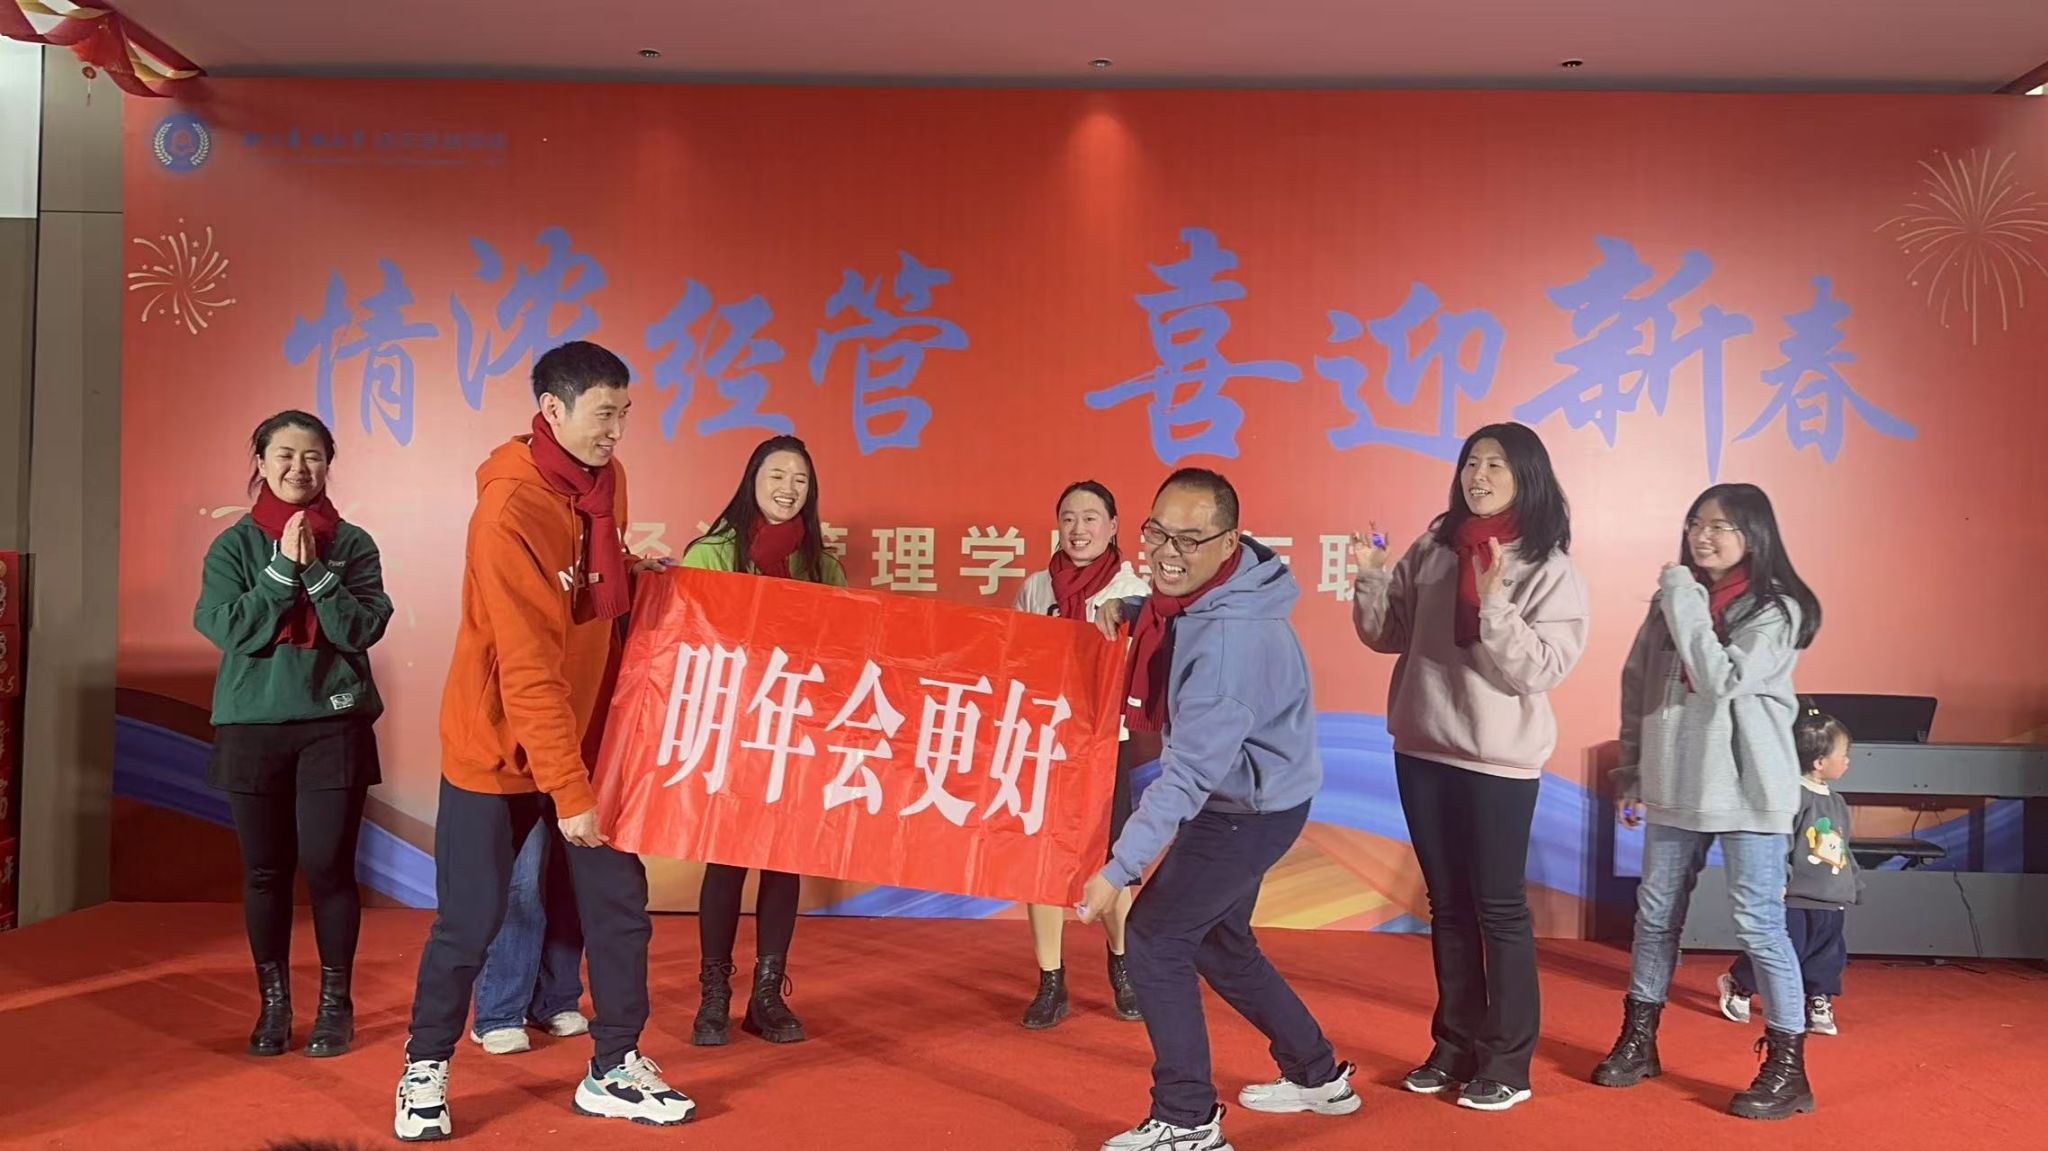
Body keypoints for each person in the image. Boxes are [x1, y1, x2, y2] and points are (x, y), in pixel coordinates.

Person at [393, 340, 694, 1141]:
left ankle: (615, 1065)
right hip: (495, 749)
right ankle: (425, 1066)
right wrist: (569, 790)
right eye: (604, 413)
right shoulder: (508, 511)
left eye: (625, 412)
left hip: (585, 736)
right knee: (470, 920)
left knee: (620, 908)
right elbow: (527, 668)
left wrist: (632, 572)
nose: (616, 430)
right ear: (553, 411)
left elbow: (586, 592)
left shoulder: (603, 481)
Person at [1079, 468, 1358, 1151]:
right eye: (1157, 533)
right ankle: (1318, 1075)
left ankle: (1186, 1119)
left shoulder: (1230, 648)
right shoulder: (1218, 590)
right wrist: (1132, 609)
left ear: (1229, 540)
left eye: (1190, 539)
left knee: (1154, 937)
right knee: (1218, 938)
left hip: (1243, 810)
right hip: (1259, 795)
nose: (1168, 552)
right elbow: (1174, 609)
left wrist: (1117, 869)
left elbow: (1186, 778)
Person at [1348, 422, 1588, 1113]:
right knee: (1447, 906)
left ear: (1526, 477)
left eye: (1496, 466)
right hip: (1422, 748)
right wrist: (1371, 575)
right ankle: (1453, 1045)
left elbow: (1537, 671)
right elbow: (1387, 635)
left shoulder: (1549, 567)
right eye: (1471, 463)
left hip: (1498, 762)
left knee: (1498, 907)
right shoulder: (1432, 548)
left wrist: (1497, 600)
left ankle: (1507, 1060)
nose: (1478, 477)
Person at [1595, 482, 1824, 1121]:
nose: (1704, 536)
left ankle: (1788, 1069)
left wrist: (1681, 595)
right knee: (1655, 917)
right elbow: (1637, 685)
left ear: (1755, 534)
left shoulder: (1777, 610)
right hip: (1675, 781)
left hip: (1750, 787)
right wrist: (1633, 771)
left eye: (1721, 526)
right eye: (1697, 523)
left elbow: (1721, 678)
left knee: (1759, 924)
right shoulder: (1678, 599)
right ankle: (1639, 1040)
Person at [195, 410, 392, 1060]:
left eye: (312, 456)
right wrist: (281, 570)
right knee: (264, 871)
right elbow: (228, 628)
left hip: (333, 724)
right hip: (251, 727)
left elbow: (362, 627)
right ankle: (274, 1005)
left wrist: (317, 573)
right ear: (260, 461)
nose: (298, 468)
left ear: (328, 464)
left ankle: (336, 1005)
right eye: (284, 454)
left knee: (330, 867)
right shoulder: (233, 547)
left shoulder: (354, 543)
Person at [679, 434, 846, 1047]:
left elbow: (844, 654)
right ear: (752, 481)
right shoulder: (712, 554)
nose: (787, 489)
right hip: (732, 733)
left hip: (796, 737)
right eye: (777, 475)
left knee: (783, 861)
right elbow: (691, 641)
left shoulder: (823, 567)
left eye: (800, 480)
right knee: (725, 861)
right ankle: (714, 994)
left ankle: (767, 995)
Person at [1012, 480, 1153, 1029]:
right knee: (1041, 863)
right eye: (1068, 517)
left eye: (1091, 517)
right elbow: (1015, 659)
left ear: (1113, 526)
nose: (1078, 529)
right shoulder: (1035, 588)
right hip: (1045, 745)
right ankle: (1051, 979)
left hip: (1106, 747)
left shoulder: (1133, 589)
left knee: (1112, 861)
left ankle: (1123, 965)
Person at [1720, 705, 1860, 1037]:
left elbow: (1842, 846)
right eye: (1844, 754)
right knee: (1785, 948)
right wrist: (1779, 879)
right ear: (1819, 762)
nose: (1848, 761)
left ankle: (1819, 998)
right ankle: (1740, 983)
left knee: (1827, 954)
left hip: (1831, 899)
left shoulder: (1838, 802)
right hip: (1796, 898)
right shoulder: (1793, 797)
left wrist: (1853, 881)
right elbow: (1780, 842)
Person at [467, 819, 588, 1054]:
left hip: (581, 797)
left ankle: (554, 1001)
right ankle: (499, 1014)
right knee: (520, 885)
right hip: (518, 795)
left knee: (568, 883)